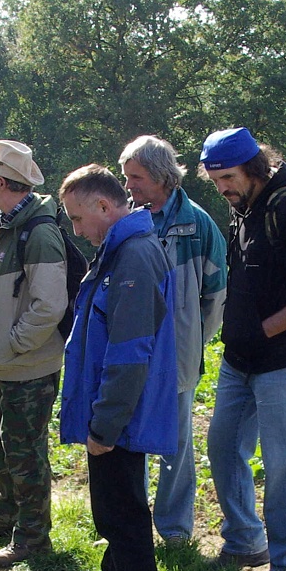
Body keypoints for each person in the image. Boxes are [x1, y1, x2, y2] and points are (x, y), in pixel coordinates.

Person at [198, 127, 286, 571]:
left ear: (254, 167)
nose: (223, 189)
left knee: (285, 465)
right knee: (223, 446)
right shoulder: (245, 208)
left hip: (284, 362)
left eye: (229, 178)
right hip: (240, 360)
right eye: (215, 181)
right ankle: (245, 542)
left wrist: (265, 331)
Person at [57, 164, 180, 571]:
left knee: (125, 518)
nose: (76, 229)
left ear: (105, 207)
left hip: (119, 421)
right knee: (111, 513)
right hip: (109, 417)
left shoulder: (134, 256)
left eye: (78, 218)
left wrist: (105, 426)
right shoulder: (118, 251)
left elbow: (130, 353)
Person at [0, 140, 70, 569]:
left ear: (3, 181)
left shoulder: (37, 231)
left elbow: (49, 304)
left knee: (24, 454)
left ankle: (32, 537)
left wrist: (15, 344)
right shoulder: (5, 224)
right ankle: (4, 516)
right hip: (3, 367)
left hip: (28, 368)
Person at [119, 135, 228, 546]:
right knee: (131, 436)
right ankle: (132, 525)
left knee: (176, 442)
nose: (129, 185)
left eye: (137, 177)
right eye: (127, 177)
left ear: (162, 176)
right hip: (133, 348)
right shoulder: (128, 219)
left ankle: (175, 529)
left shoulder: (197, 223)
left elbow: (216, 293)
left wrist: (192, 338)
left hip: (178, 354)